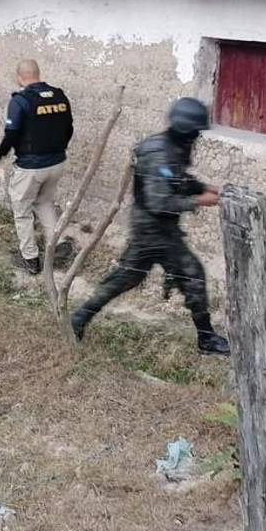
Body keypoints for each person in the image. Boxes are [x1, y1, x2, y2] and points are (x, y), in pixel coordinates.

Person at [70, 97, 230, 356]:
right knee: (126, 279)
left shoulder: (174, 147)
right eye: (195, 131)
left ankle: (206, 338)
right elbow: (159, 202)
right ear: (185, 129)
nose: (197, 136)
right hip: (150, 232)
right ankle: (79, 318)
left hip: (164, 231)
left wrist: (205, 187)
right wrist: (200, 200)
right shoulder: (157, 153)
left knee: (191, 276)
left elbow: (177, 180)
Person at [0, 59, 73, 274]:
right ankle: (58, 245)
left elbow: (11, 135)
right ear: (38, 73)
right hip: (57, 163)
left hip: (31, 167)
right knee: (44, 202)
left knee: (22, 211)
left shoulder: (20, 101)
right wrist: (58, 150)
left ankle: (30, 259)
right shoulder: (59, 95)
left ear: (19, 77)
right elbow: (69, 128)